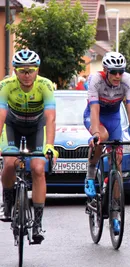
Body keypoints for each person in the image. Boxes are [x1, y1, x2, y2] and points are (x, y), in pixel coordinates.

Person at [0, 49, 59, 244]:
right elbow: (1, 116)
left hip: (37, 127)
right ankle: (7, 204)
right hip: (12, 127)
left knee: (38, 168)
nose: (27, 75)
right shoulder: (6, 85)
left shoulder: (45, 85)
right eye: (22, 71)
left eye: (31, 70)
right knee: (9, 163)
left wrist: (50, 145)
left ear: (37, 70)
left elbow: (50, 118)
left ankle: (37, 224)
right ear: (15, 71)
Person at [83, 52, 130, 235]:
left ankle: (115, 214)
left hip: (115, 117)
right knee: (103, 136)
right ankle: (90, 174)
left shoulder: (127, 80)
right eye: (114, 72)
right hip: (96, 116)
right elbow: (94, 109)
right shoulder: (95, 80)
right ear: (106, 70)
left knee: (118, 161)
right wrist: (96, 134)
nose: (117, 76)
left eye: (120, 72)